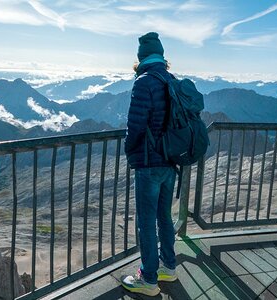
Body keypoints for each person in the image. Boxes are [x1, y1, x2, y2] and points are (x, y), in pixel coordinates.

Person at [122, 32, 177, 297]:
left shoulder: (144, 82)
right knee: (164, 217)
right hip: (170, 161)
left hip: (149, 163)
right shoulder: (170, 79)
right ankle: (169, 266)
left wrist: (129, 152)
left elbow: (135, 125)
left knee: (146, 222)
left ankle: (149, 279)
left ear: (141, 57)